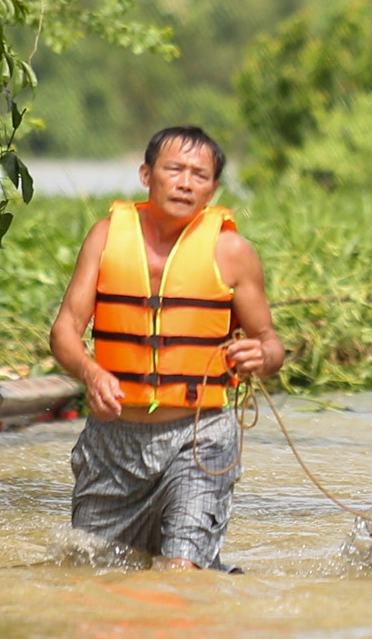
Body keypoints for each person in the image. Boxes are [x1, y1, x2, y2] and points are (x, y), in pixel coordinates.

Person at [49, 127, 284, 570]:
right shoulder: (104, 237)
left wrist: (262, 355)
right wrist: (91, 372)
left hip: (200, 438)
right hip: (114, 442)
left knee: (182, 572)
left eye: (200, 175)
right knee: (92, 573)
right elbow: (64, 331)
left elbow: (271, 345)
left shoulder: (233, 252)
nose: (185, 182)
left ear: (213, 189)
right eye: (174, 169)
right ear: (146, 174)